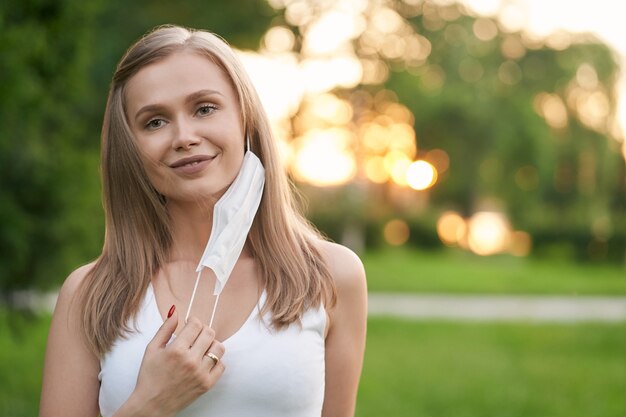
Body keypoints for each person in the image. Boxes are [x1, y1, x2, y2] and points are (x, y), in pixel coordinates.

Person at [39, 25, 367, 417]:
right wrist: (152, 404)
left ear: (245, 118)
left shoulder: (331, 276)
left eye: (205, 108)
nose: (184, 136)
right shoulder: (90, 294)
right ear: (130, 148)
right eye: (155, 121)